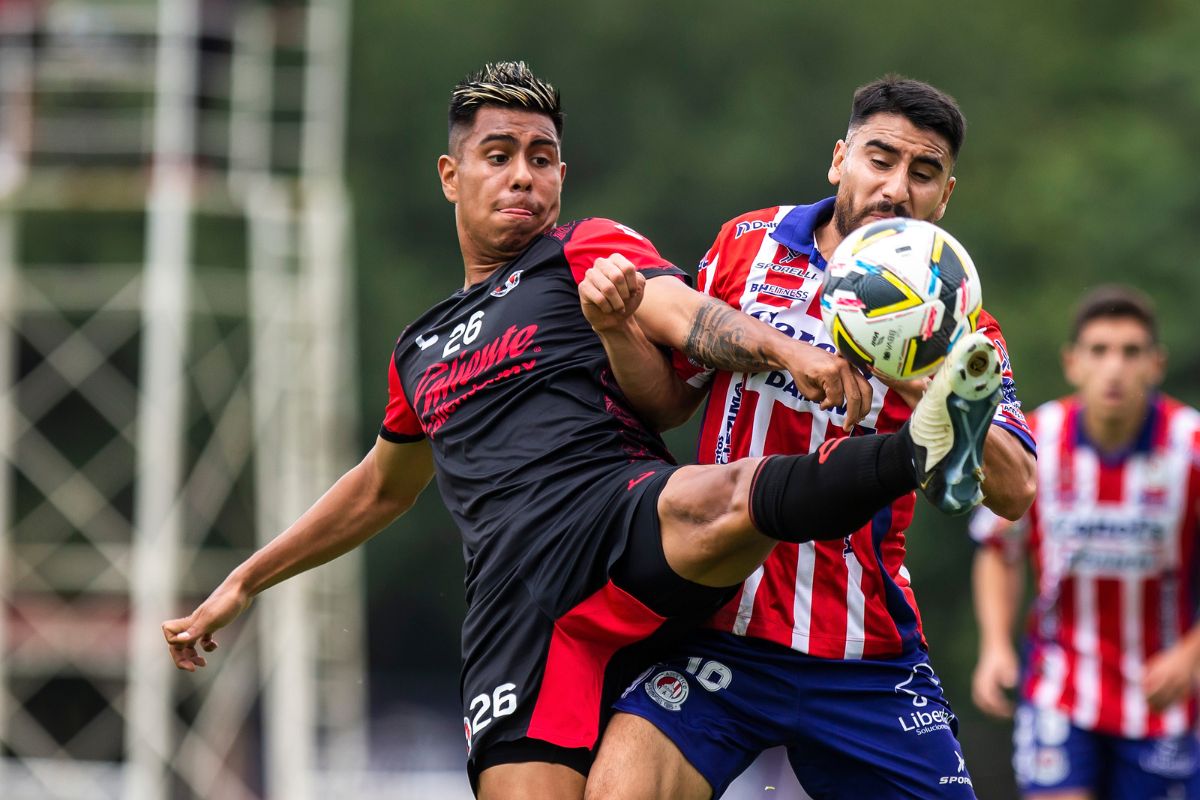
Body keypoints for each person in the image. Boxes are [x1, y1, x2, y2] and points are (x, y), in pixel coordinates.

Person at [161, 62, 1002, 800]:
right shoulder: (415, 349)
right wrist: (246, 580)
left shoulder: (584, 250)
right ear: (452, 176)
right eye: (500, 158)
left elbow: (686, 319)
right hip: (513, 602)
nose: (523, 178)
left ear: (563, 175)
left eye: (541, 159)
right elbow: (380, 487)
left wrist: (780, 351)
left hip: (613, 517)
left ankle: (923, 447)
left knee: (736, 489)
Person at [582, 75, 1038, 800]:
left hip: (864, 653)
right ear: (839, 160)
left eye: (923, 173)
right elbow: (669, 404)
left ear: (946, 196)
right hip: (717, 630)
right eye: (879, 159)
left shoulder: (962, 319)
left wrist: (931, 382)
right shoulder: (747, 244)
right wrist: (615, 329)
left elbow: (1015, 493)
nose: (895, 188)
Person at [970, 285, 1200, 799]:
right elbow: (998, 548)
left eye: (1131, 352)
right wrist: (994, 645)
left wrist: (1191, 655)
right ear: (1072, 363)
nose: (1114, 369)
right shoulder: (1039, 439)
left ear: (1155, 364)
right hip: (1061, 687)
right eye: (1099, 351)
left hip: (1164, 700)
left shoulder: (1190, 445)